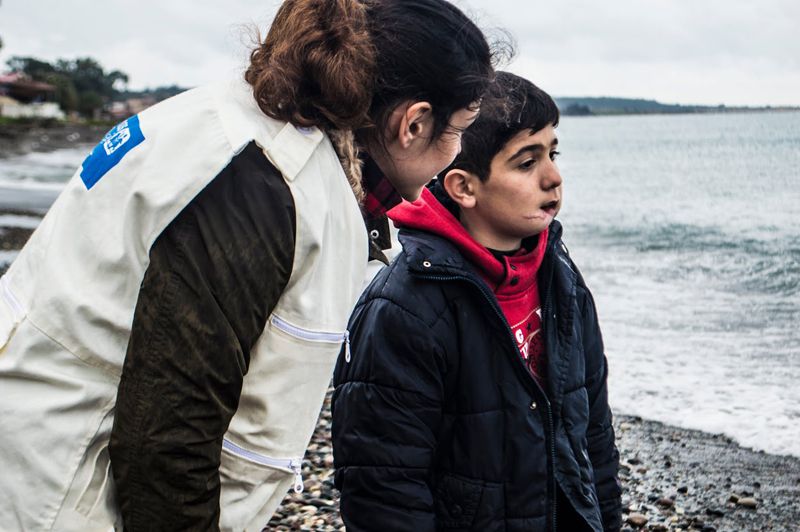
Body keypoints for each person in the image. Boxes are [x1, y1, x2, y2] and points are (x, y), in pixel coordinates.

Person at [0, 1, 497, 530]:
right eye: (460, 129)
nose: (458, 151)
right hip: (61, 490)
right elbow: (168, 432)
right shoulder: (264, 183)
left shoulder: (236, 118)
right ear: (413, 123)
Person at [332, 71, 622, 531]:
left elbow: (594, 435)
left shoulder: (561, 278)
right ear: (464, 187)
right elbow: (385, 490)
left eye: (553, 153)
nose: (554, 178)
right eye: (527, 163)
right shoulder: (404, 309)